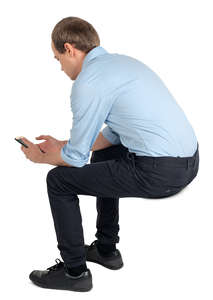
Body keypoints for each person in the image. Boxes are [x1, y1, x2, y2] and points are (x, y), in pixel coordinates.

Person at [20, 16, 199, 292]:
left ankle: (75, 273)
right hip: (189, 163)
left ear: (70, 49)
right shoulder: (123, 65)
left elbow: (74, 159)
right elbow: (115, 133)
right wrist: (65, 144)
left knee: (58, 180)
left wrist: (40, 156)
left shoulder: (87, 83)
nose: (60, 67)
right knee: (108, 152)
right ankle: (106, 250)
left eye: (57, 59)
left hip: (159, 173)